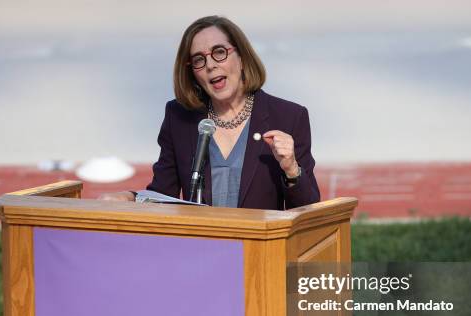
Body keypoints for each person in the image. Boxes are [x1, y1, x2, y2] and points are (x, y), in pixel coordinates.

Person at [100, 15, 320, 210]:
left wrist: (291, 170)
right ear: (192, 73)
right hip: (201, 253)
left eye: (219, 53)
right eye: (199, 60)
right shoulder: (178, 118)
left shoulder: (289, 116)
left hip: (260, 254)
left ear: (242, 57)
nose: (210, 65)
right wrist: (130, 198)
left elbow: (309, 213)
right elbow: (163, 196)